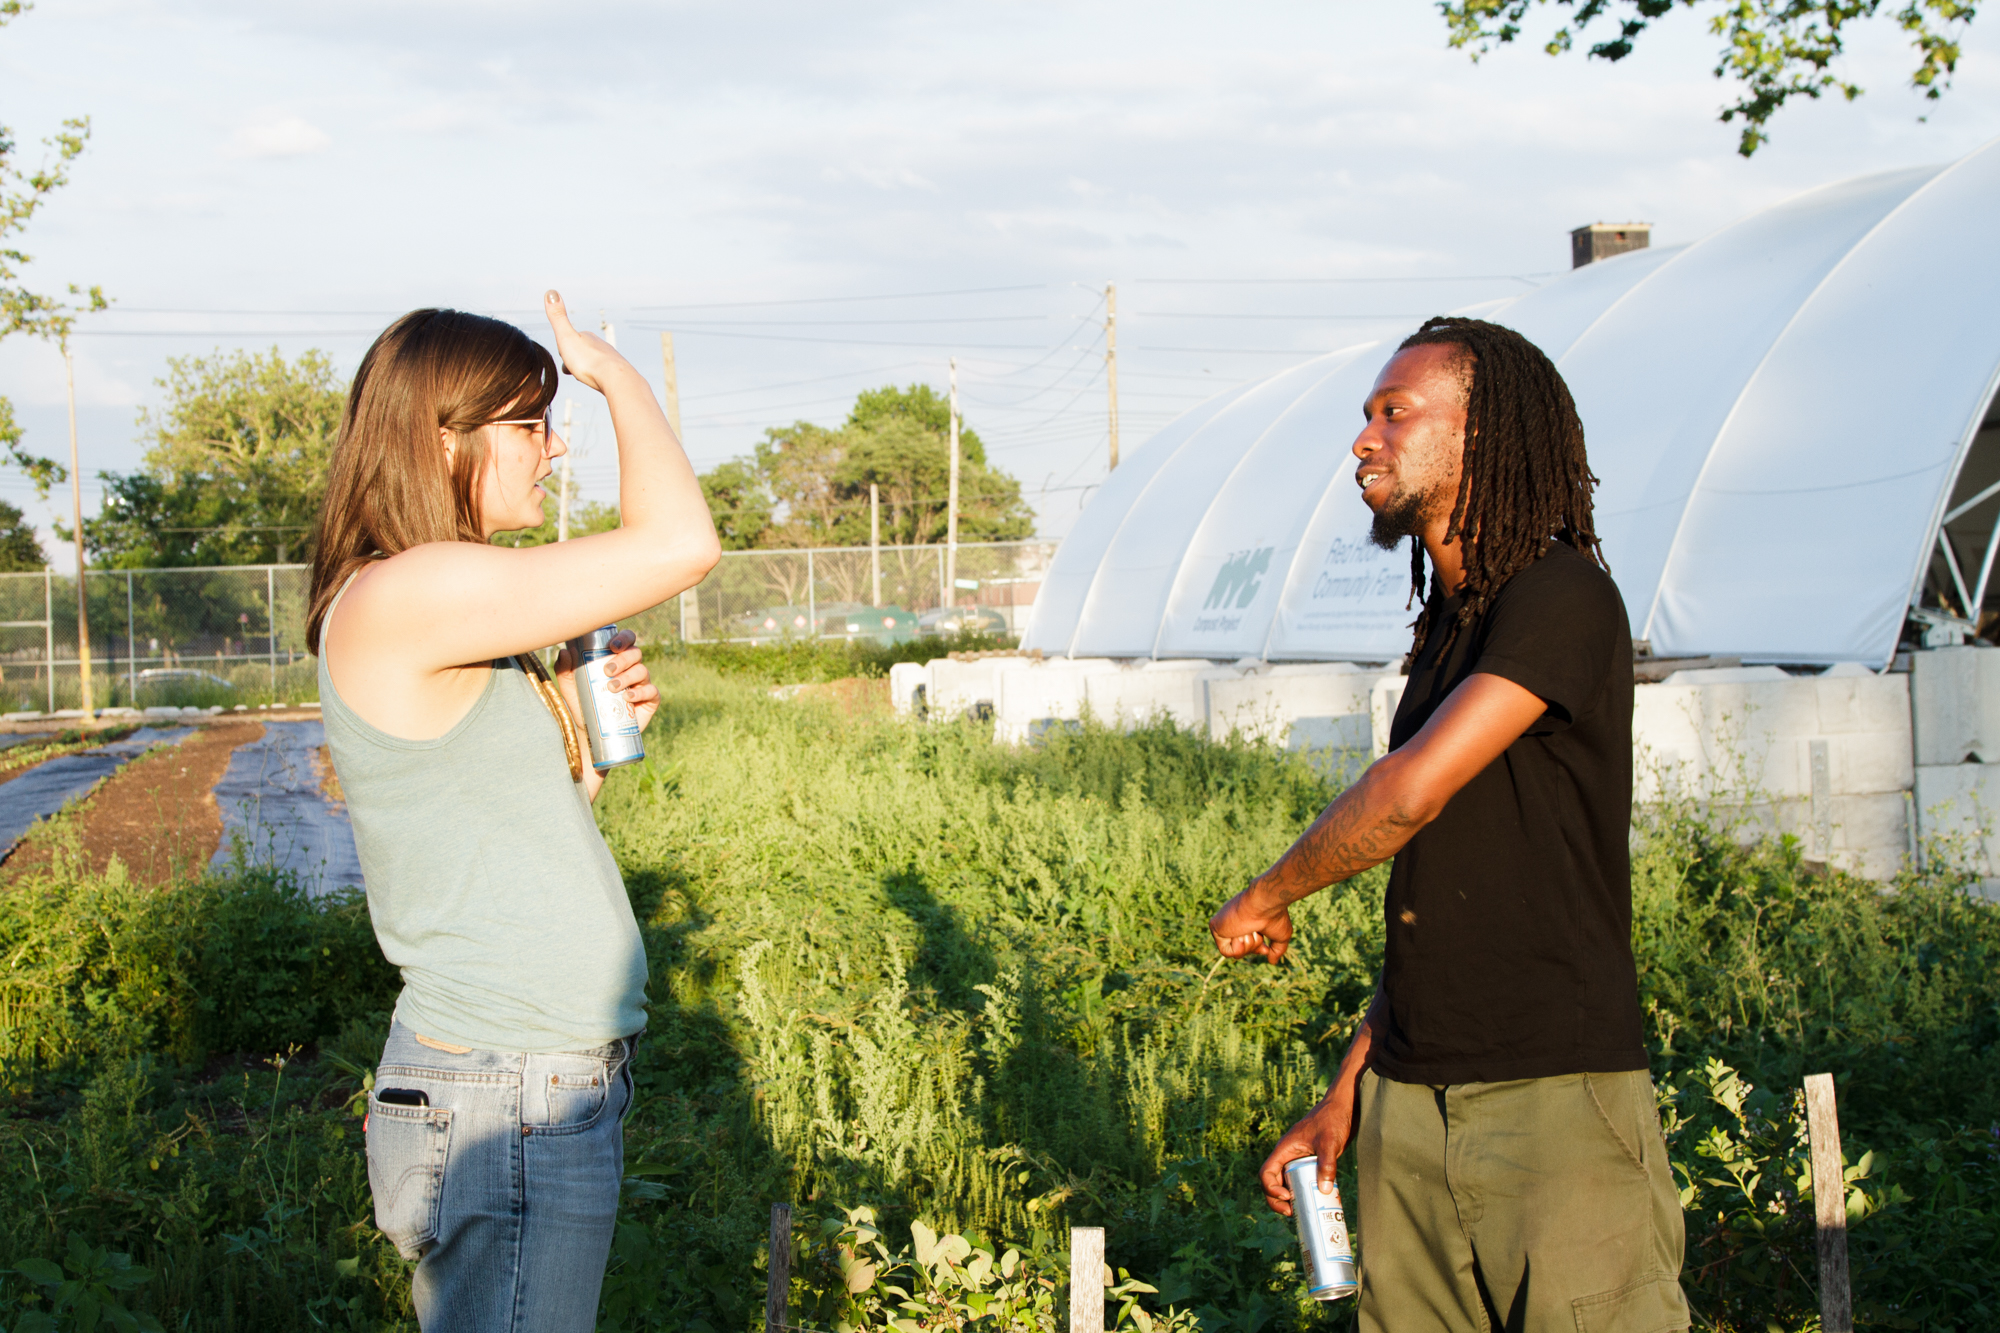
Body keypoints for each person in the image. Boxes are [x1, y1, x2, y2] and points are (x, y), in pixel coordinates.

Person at [1208, 317, 1689, 1332]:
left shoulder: (1560, 597)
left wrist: (1268, 893)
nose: (1362, 439)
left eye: (1395, 412)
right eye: (1364, 414)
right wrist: (1350, 1090)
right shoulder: (1448, 631)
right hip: (1409, 1106)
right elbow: (1442, 892)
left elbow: (1408, 793)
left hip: (1552, 1100)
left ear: (1481, 435)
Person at [305, 293, 720, 1332]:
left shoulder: (450, 603)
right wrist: (611, 371)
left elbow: (512, 831)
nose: (553, 445)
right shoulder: (413, 589)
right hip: (507, 1089)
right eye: (530, 422)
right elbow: (678, 543)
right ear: (442, 438)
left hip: (527, 1080)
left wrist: (585, 751)